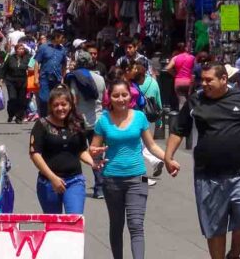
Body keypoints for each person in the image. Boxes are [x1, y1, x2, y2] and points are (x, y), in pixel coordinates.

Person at [165, 62, 240, 259]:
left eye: (209, 80)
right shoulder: (195, 101)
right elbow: (178, 129)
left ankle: (234, 254)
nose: (204, 84)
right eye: (202, 80)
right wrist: (168, 156)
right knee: (214, 226)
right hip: (208, 176)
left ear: (224, 79)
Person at [90, 78, 168, 259]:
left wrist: (168, 159)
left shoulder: (139, 117)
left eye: (124, 94)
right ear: (110, 97)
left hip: (138, 178)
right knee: (116, 225)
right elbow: (93, 149)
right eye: (116, 95)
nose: (121, 99)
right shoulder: (103, 121)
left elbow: (151, 146)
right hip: (111, 179)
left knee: (136, 225)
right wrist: (95, 153)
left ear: (130, 95)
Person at [29, 87, 96, 215]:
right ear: (51, 106)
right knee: (54, 228)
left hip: (74, 181)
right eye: (56, 105)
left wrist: (93, 163)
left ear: (70, 105)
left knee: (74, 223)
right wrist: (53, 178)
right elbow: (35, 154)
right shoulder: (42, 125)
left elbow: (81, 150)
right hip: (48, 182)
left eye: (64, 104)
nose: (60, 108)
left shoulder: (78, 123)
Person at [67, 50, 106, 199]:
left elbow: (73, 100)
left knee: (76, 153)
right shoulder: (100, 78)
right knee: (97, 155)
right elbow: (104, 99)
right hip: (97, 120)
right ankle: (100, 188)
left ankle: (74, 186)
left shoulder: (74, 78)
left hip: (79, 121)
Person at [34, 33, 66, 118]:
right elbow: (37, 62)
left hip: (57, 79)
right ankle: (43, 118)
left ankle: (53, 118)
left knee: (55, 100)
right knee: (44, 100)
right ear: (56, 37)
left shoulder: (62, 50)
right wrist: (36, 78)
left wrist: (63, 77)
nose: (63, 40)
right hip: (45, 78)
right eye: (61, 37)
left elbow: (64, 65)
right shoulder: (44, 47)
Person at [0, 43, 29, 124]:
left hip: (23, 81)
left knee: (21, 100)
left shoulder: (28, 58)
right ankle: (11, 114)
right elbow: (3, 69)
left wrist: (31, 68)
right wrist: (1, 79)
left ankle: (19, 117)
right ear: (16, 50)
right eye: (19, 49)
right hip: (11, 81)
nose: (21, 50)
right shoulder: (10, 58)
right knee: (13, 98)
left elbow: (34, 63)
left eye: (23, 49)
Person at [165, 43, 196, 109]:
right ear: (186, 49)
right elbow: (195, 69)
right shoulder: (192, 58)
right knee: (190, 100)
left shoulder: (175, 58)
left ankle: (182, 117)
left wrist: (175, 74)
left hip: (178, 82)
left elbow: (168, 68)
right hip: (189, 81)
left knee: (181, 102)